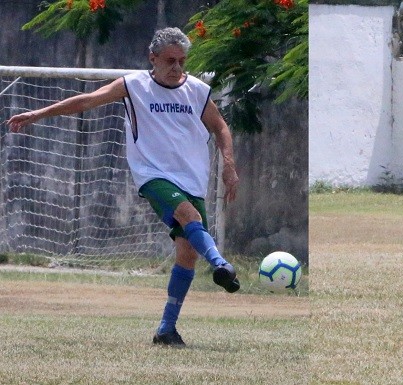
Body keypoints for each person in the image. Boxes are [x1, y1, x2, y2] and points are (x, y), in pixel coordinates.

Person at [6, 27, 241, 347]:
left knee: (187, 253)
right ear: (153, 58)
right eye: (170, 60)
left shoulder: (197, 91)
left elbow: (220, 127)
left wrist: (228, 165)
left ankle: (166, 329)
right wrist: (38, 113)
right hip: (154, 175)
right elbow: (87, 100)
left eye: (182, 61)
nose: (177, 67)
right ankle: (220, 264)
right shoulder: (134, 86)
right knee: (189, 217)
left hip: (193, 179)